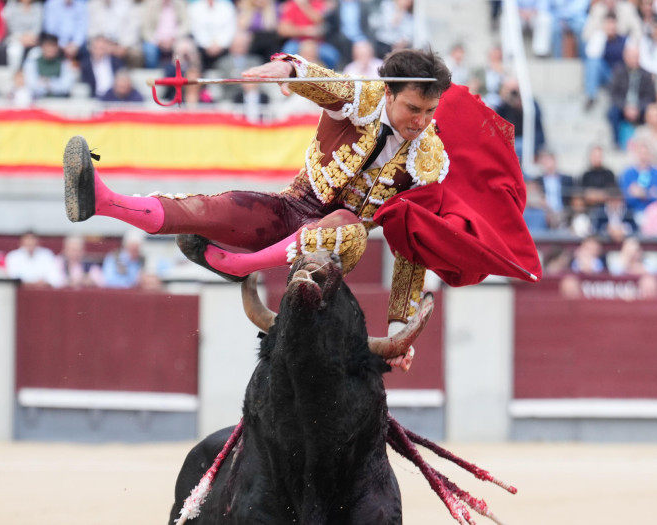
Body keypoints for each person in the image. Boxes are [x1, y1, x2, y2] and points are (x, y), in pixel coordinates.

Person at [61, 49, 541, 371]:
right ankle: (103, 200)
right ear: (390, 93)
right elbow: (325, 84)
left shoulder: (429, 163)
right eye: (414, 108)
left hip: (332, 252)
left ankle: (233, 264)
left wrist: (398, 329)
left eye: (430, 112)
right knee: (213, 209)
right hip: (291, 210)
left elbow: (411, 243)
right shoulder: (362, 99)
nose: (421, 122)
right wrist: (289, 71)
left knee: (350, 228)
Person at [606, 44, 656, 146]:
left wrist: (637, 107)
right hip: (623, 107)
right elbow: (613, 94)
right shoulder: (618, 72)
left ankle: (645, 143)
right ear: (625, 57)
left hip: (640, 108)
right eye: (632, 57)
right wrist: (625, 107)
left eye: (637, 57)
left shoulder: (646, 75)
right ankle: (617, 142)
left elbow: (650, 96)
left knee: (651, 112)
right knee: (612, 113)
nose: (635, 60)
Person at [619, 139, 657, 213]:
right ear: (636, 154)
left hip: (654, 213)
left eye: (646, 154)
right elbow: (625, 197)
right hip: (632, 212)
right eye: (641, 153)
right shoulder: (627, 174)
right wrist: (649, 193)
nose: (643, 157)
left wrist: (644, 193)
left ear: (651, 155)